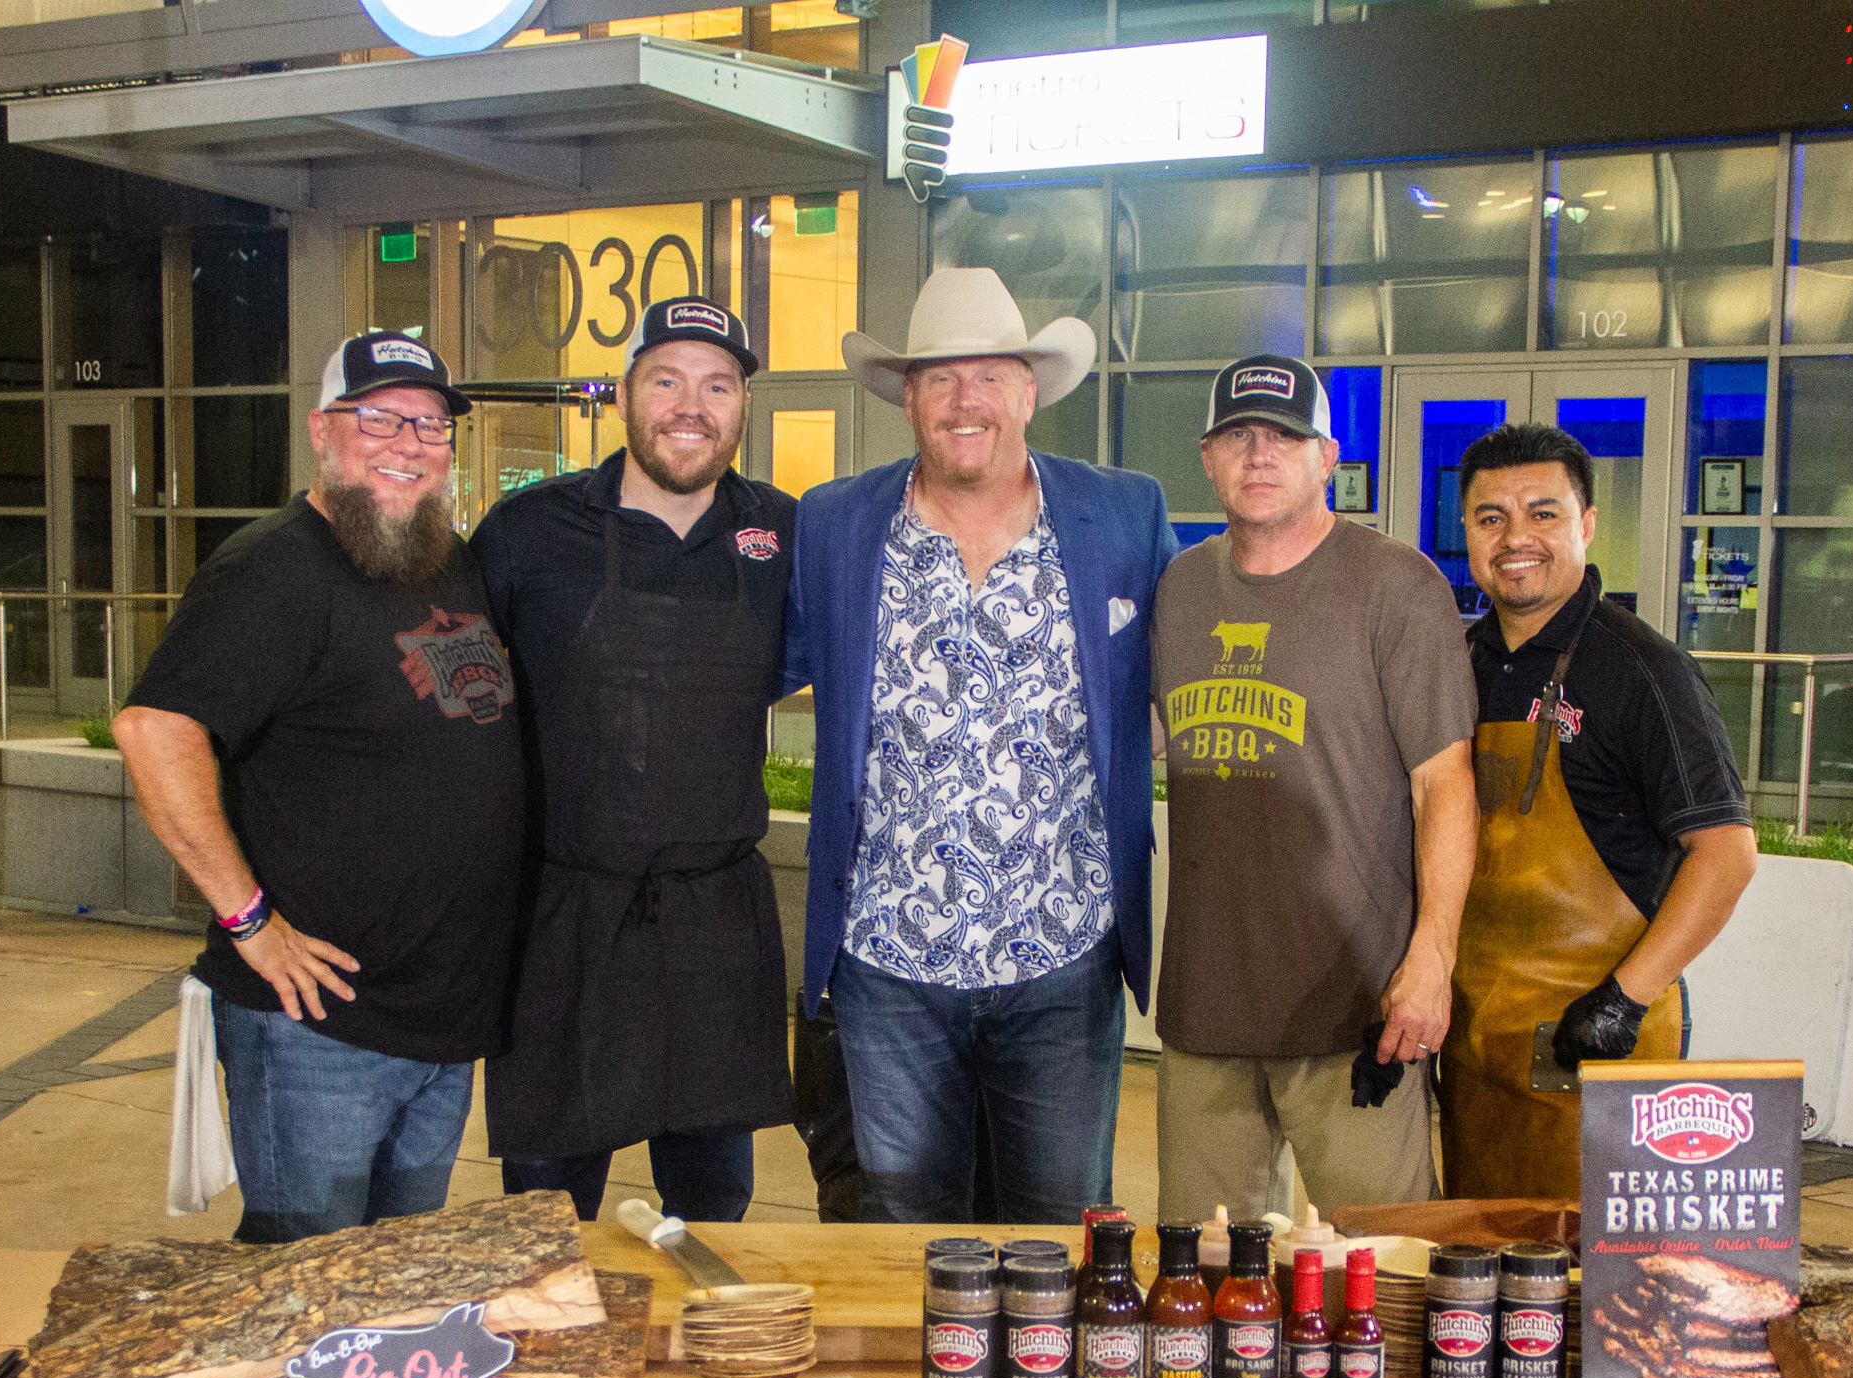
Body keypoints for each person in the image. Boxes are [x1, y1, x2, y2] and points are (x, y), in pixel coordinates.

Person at [786, 268, 1176, 1223]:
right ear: (909, 397)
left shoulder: (1123, 516)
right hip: (888, 961)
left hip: (1063, 955)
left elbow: (1202, 660)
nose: (967, 402)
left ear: (1030, 389)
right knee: (904, 1236)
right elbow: (749, 662)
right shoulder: (836, 523)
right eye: (941, 379)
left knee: (1058, 1232)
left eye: (990, 376)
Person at [115, 332, 522, 1243]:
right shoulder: (271, 570)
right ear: (320, 431)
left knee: (390, 1289)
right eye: (377, 417)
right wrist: (249, 923)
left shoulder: (444, 558)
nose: (407, 443)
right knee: (305, 1290)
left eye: (428, 424)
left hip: (439, 1025)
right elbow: (156, 730)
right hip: (319, 1032)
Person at [469, 298, 793, 1222]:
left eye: (717, 385)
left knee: (714, 1219)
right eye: (667, 380)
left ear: (740, 408)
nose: (690, 405)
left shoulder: (781, 534)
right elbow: (451, 708)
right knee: (544, 1225)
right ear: (624, 396)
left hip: (715, 924)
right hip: (564, 924)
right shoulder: (527, 532)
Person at [1148, 355, 1476, 1223]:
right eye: (1239, 436)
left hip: (1355, 1013)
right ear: (1208, 459)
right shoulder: (1179, 589)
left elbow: (1444, 784)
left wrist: (1432, 958)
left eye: (1285, 437)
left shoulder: (1396, 587)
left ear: (1327, 456)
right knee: (1207, 1293)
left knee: (1391, 1276)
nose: (1261, 455)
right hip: (1205, 1012)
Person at [1439, 421, 1758, 1200]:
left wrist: (1624, 1000)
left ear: (1585, 524)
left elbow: (1726, 852)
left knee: (1597, 1290)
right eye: (1492, 518)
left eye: (1543, 513)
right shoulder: (1462, 663)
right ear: (1468, 534)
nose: (1517, 537)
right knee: (1483, 1276)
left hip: (1598, 1044)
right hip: (1478, 1039)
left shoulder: (1643, 669)